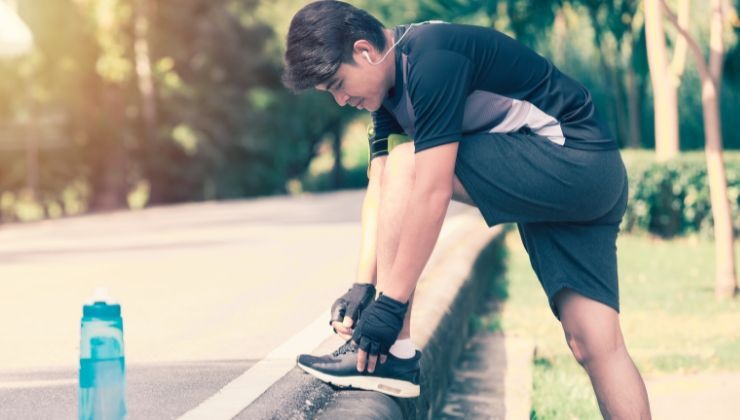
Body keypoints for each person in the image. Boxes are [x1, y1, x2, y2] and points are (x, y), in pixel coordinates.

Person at [282, 1, 651, 417]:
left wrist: (391, 306)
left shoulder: (431, 60)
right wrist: (361, 286)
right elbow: (380, 187)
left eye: (337, 83)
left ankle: (396, 356)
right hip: (573, 180)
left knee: (411, 163)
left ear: (364, 51)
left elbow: (431, 191)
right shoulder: (384, 93)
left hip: (573, 160)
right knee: (596, 343)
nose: (339, 99)